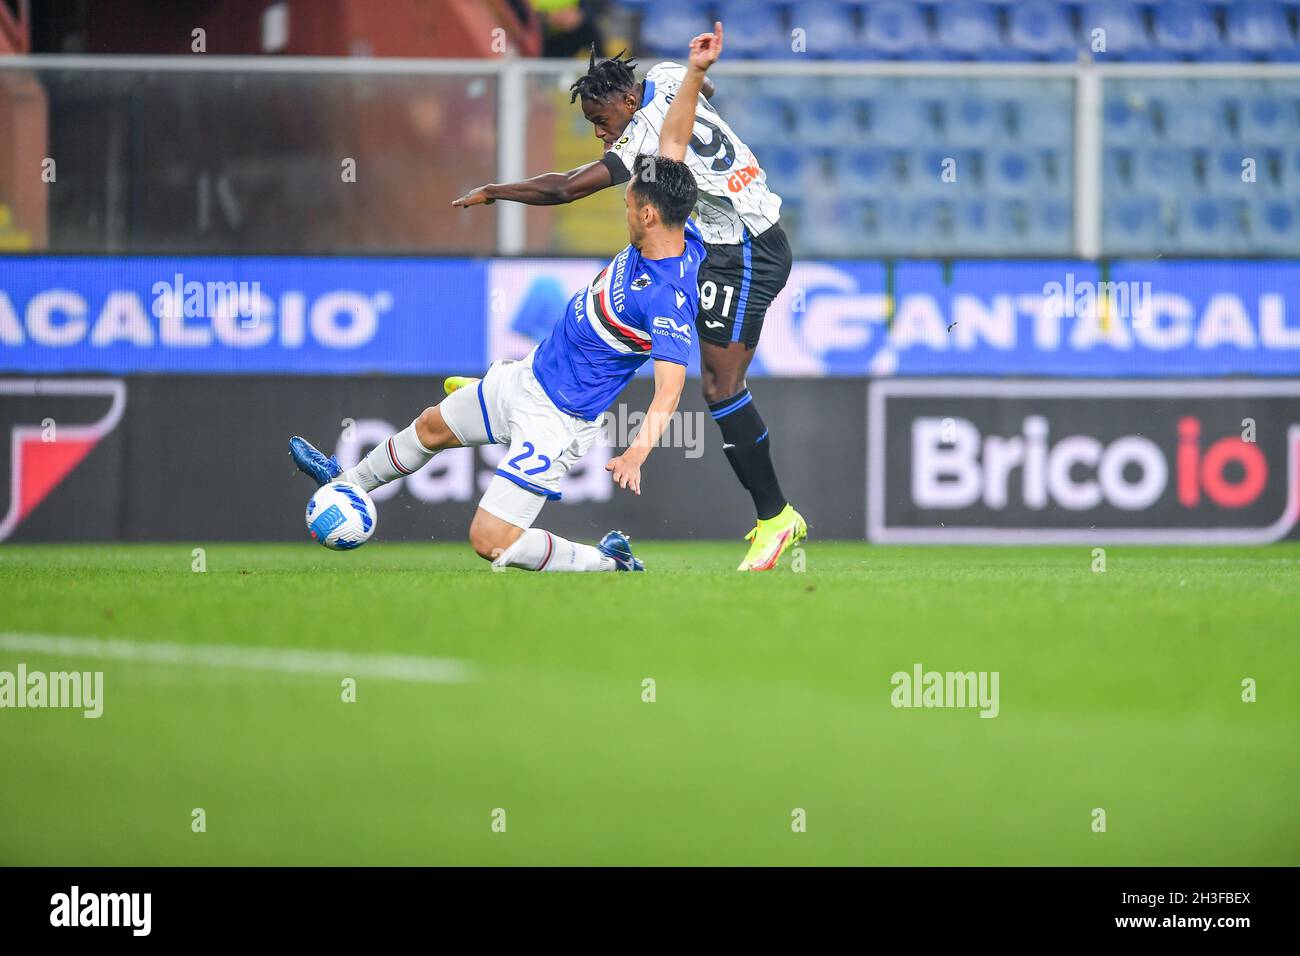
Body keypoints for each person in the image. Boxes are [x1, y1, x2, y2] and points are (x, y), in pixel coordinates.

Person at [287, 24, 724, 573]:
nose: (624, 204)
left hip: (557, 417)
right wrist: (696, 76)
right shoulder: (667, 217)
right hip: (527, 377)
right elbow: (676, 140)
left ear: (649, 213)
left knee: (491, 540)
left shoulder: (666, 294)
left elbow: (669, 388)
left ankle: (609, 561)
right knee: (431, 427)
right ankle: (346, 483)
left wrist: (639, 449)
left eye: (629, 201)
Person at [452, 27, 805, 571]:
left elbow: (567, 187)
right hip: (720, 239)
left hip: (746, 247)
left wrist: (496, 190)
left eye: (600, 121)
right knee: (618, 288)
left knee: (718, 383)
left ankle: (775, 518)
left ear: (625, 101)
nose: (599, 134)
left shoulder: (639, 141)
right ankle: (516, 386)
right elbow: (699, 101)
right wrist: (697, 75)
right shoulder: (667, 76)